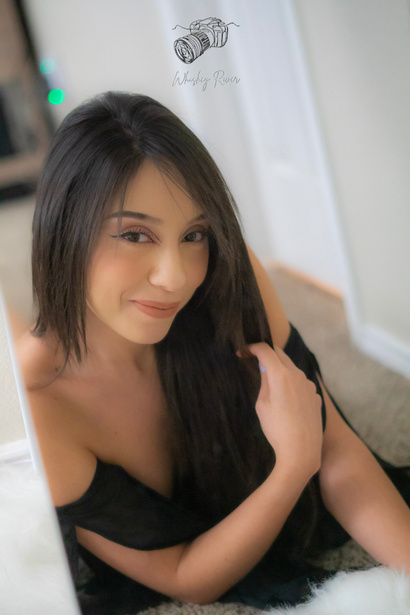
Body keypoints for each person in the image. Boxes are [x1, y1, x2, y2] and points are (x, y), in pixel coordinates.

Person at [16, 91, 410, 614]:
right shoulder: (38, 406)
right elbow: (185, 577)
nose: (176, 277)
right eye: (135, 234)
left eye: (193, 234)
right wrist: (293, 466)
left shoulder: (226, 277)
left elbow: (336, 450)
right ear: (64, 230)